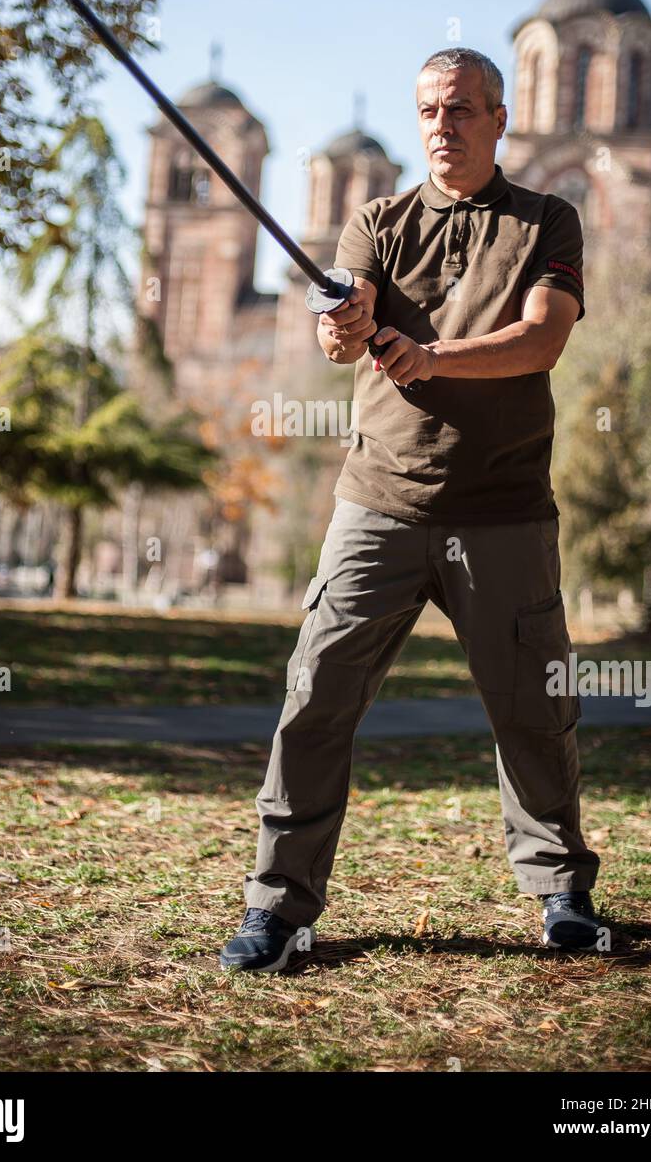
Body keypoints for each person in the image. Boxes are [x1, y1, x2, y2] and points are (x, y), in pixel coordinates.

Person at [221, 47, 604, 972]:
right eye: (431, 109)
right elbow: (341, 319)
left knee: (533, 712)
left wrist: (433, 357)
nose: (444, 124)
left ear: (499, 119)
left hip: (503, 509)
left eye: (465, 108)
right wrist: (343, 322)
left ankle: (561, 894)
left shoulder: (546, 218)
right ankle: (278, 908)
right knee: (313, 696)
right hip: (377, 504)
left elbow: (542, 337)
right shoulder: (378, 220)